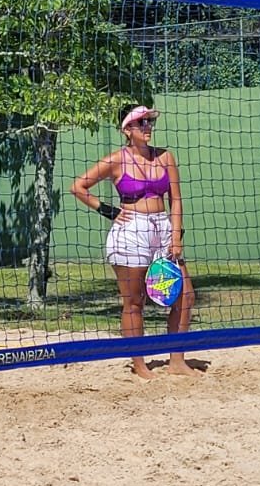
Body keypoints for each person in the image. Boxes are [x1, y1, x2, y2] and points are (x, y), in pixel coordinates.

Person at [71, 104, 200, 377]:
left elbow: (175, 200)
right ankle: (139, 364)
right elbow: (78, 186)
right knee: (134, 301)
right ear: (127, 129)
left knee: (185, 296)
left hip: (162, 228)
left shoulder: (165, 157)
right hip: (131, 232)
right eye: (141, 123)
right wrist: (109, 211)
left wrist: (176, 237)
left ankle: (177, 360)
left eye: (149, 122)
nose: (148, 127)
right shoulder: (117, 160)